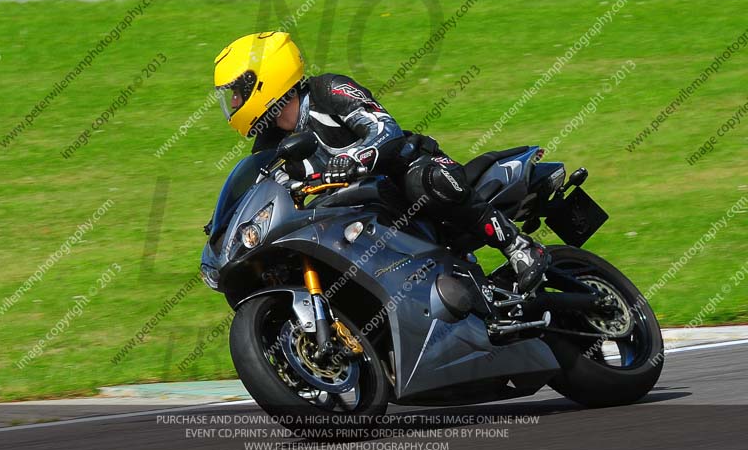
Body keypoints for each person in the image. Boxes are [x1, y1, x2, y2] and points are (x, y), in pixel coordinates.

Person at [213, 31, 548, 294]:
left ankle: (519, 247)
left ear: (266, 78)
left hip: (407, 171)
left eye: (237, 91)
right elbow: (266, 192)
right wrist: (227, 230)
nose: (233, 102)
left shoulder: (329, 90)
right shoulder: (269, 144)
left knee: (424, 180)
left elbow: (384, 129)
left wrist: (352, 157)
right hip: (360, 207)